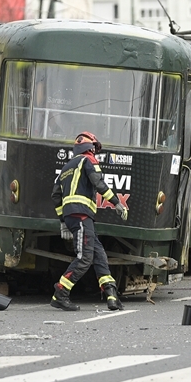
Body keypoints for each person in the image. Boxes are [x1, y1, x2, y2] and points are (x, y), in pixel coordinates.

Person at [50, 132, 129, 311]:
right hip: (82, 215)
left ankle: (111, 295)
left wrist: (63, 220)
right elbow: (98, 182)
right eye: (94, 148)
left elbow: (55, 196)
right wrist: (116, 202)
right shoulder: (88, 160)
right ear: (90, 148)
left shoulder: (66, 167)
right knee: (84, 257)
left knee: (98, 254)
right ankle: (60, 293)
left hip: (74, 217)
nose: (95, 152)